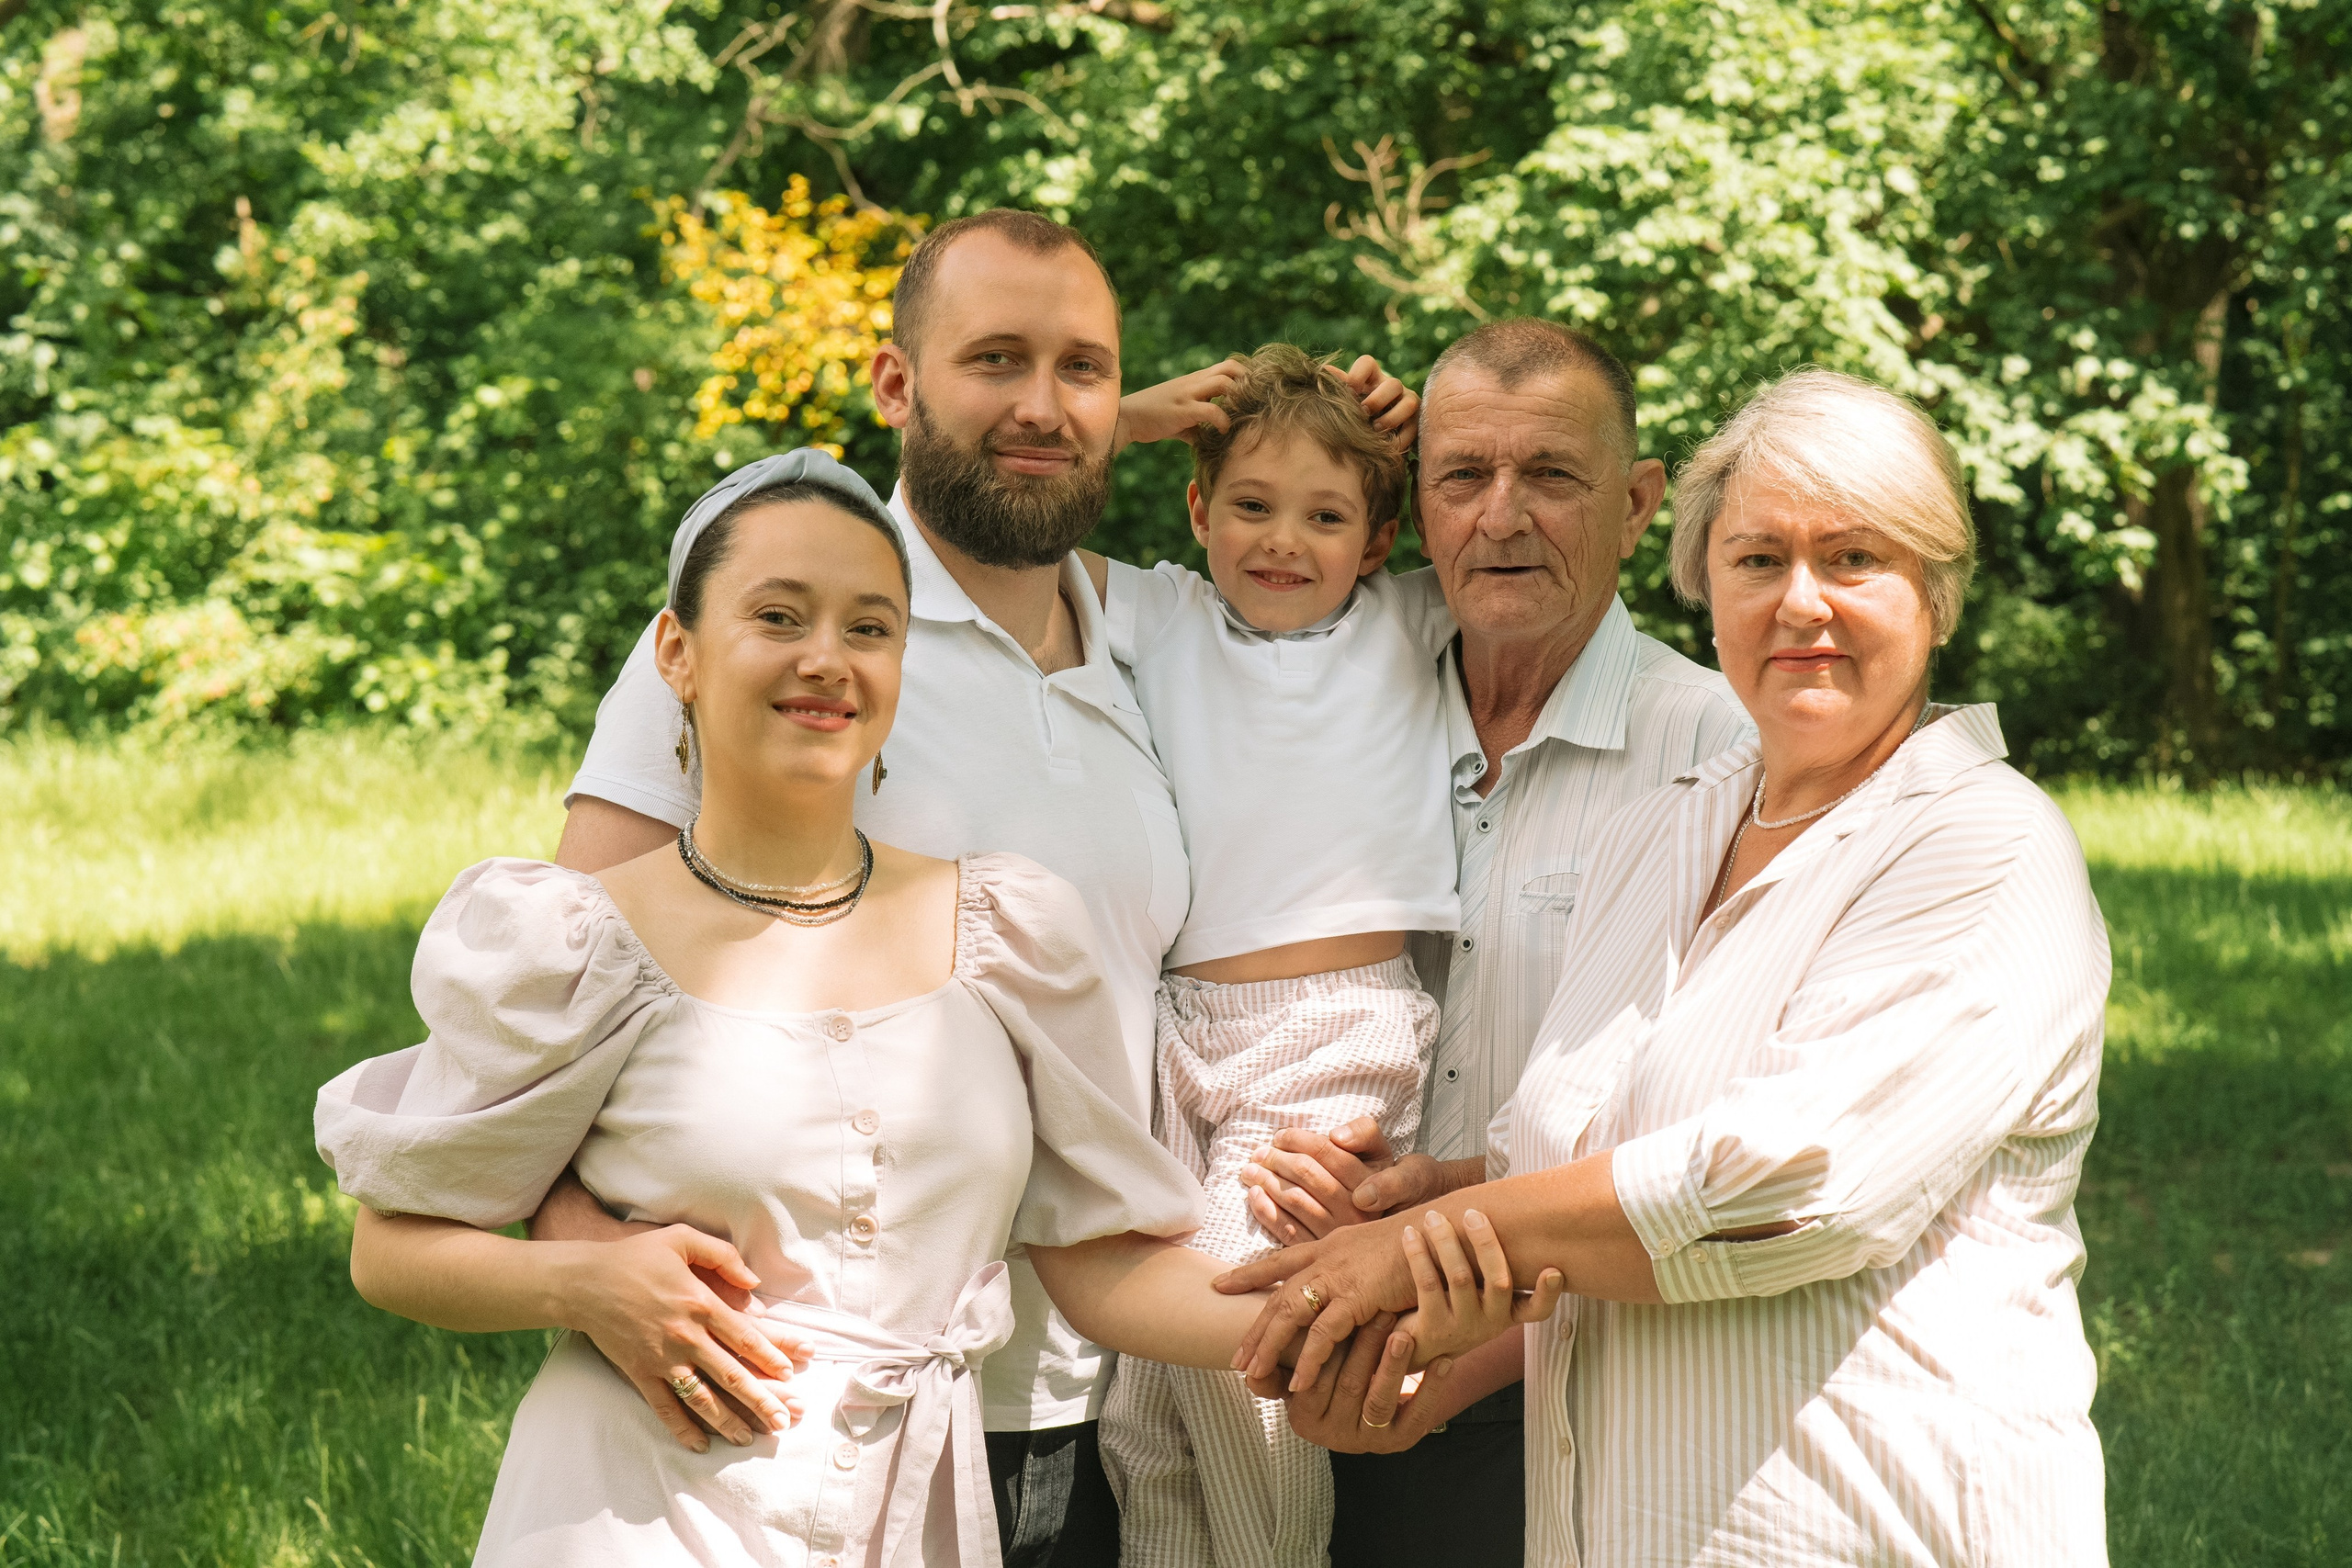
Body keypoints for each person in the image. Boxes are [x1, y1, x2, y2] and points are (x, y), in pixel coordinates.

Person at [315, 453, 1546, 1566]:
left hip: (917, 1516)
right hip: (639, 1512)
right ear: (678, 655)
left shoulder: (1002, 937)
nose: (825, 659)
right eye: (778, 618)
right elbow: (394, 1246)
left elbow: (1109, 1272)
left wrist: (1361, 1308)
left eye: (870, 626)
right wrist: (582, 1288)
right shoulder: (583, 938)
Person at [538, 209, 1418, 1563]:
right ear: (895, 385)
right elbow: (553, 991)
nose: (1044, 404)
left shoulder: (1143, 634)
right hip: (784, 1386)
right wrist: (592, 1268)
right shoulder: (803, 651)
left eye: (1084, 370)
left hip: (1085, 1377)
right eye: (993, 358)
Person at [1221, 368, 2115, 1567]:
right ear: (1704, 586)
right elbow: (1591, 1172)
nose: (1803, 603)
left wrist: (1420, 1244)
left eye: (1855, 558)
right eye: (1757, 561)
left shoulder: (1988, 846)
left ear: (1937, 595)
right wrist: (1419, 1336)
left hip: (1878, 1530)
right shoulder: (1664, 830)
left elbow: (1790, 1187)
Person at [1231, 318, 1751, 1564]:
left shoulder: (1720, 752)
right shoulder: (1336, 668)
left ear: (1636, 507)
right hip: (1276, 1317)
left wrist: (1449, 1313)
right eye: (1462, 479)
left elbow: (1712, 1144)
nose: (1500, 518)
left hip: (1557, 1372)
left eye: (1553, 479)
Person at [1084, 344, 1460, 1568]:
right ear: (1198, 508)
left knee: (1250, 1337)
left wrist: (1433, 424)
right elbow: (963, 547)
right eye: (1249, 504)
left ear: (1378, 532)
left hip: (1331, 1036)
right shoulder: (1161, 611)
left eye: (1325, 515)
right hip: (1177, 1034)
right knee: (1143, 1399)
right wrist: (1128, 419)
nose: (1281, 541)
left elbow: (1525, 534)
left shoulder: (1411, 619)